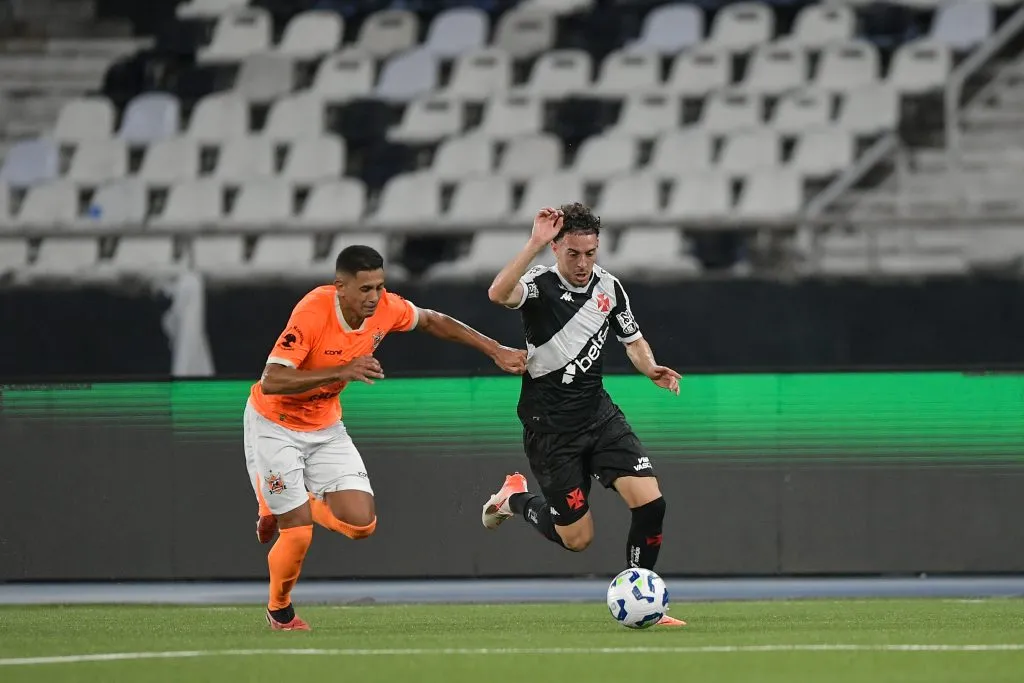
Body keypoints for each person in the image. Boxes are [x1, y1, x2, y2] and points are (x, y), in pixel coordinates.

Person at [244, 245, 527, 631]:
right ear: (340, 287)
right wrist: (342, 370)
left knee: (362, 524)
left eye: (379, 287)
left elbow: (432, 320)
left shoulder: (386, 308)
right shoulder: (313, 311)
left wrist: (494, 349)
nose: (374, 297)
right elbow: (272, 380)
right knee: (297, 533)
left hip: (324, 425)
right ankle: (280, 611)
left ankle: (288, 501)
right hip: (274, 424)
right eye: (365, 289)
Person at [480, 203, 686, 627]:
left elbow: (633, 339)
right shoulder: (538, 284)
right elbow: (498, 293)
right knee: (577, 539)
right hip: (551, 431)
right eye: (573, 253)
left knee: (651, 503)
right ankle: (513, 499)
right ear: (556, 249)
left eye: (590, 253)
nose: (582, 262)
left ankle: (644, 598)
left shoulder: (610, 287)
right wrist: (533, 242)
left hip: (599, 417)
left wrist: (649, 367)